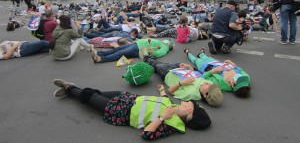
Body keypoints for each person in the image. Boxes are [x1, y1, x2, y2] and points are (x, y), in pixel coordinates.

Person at [53, 79, 211, 140]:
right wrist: (162, 90)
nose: (188, 102)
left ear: (190, 111)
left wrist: (162, 118)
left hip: (121, 111)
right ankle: (72, 90)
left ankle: (69, 88)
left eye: (190, 104)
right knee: (97, 94)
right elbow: (164, 100)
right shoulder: (175, 107)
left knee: (92, 97)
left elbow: (147, 134)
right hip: (129, 98)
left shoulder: (172, 124)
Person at [143, 55, 223, 107]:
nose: (209, 83)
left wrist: (182, 83)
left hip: (168, 74)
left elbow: (171, 91)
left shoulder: (190, 94)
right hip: (180, 69)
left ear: (205, 95)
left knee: (156, 65)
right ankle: (152, 59)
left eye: (210, 87)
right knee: (162, 63)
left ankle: (145, 57)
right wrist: (189, 67)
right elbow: (199, 75)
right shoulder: (208, 83)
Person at [184, 48, 251, 98]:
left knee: (196, 60)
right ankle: (201, 54)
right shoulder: (246, 79)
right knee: (206, 58)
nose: (240, 76)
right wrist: (233, 64)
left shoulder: (220, 84)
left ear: (233, 85)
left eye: (239, 79)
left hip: (207, 67)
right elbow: (241, 70)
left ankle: (188, 53)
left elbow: (203, 77)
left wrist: (213, 71)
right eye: (242, 79)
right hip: (216, 63)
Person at [91, 38, 173, 63]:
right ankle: (99, 53)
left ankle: (100, 59)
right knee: (119, 49)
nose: (167, 41)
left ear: (169, 45)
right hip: (137, 44)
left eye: (168, 42)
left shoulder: (165, 48)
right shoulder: (162, 43)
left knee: (120, 53)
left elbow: (158, 54)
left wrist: (150, 52)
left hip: (139, 48)